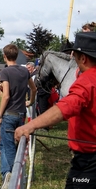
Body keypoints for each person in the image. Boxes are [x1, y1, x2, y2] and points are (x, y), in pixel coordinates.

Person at [15, 32, 96, 188]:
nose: (75, 61)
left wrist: (30, 125)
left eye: (76, 57)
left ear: (83, 58)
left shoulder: (86, 81)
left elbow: (66, 107)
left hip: (89, 161)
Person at [0, 44, 36, 189]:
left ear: (5, 56)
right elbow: (34, 88)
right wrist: (31, 101)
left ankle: (13, 178)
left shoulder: (5, 72)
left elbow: (6, 96)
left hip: (9, 114)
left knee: (8, 147)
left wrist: (0, 114)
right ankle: (6, 173)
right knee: (9, 145)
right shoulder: (25, 71)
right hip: (21, 114)